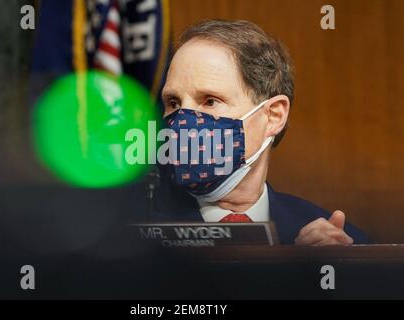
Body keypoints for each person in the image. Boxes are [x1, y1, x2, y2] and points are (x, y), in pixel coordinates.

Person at [149, 20, 369, 245]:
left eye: (210, 101)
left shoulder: (336, 241)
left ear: (273, 116)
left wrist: (321, 274)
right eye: (174, 103)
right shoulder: (128, 236)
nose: (182, 121)